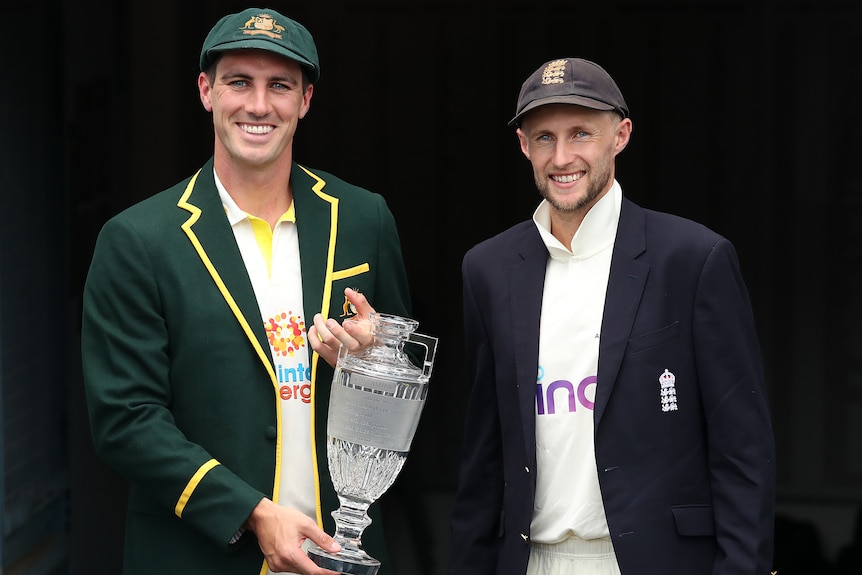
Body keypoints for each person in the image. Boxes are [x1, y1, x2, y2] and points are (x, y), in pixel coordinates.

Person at [81, 8, 411, 575]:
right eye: (240, 82)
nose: (259, 105)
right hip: (199, 555)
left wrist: (374, 361)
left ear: (305, 100)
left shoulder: (363, 219)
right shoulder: (138, 240)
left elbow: (407, 382)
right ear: (206, 91)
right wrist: (254, 513)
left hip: (338, 556)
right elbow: (125, 419)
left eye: (279, 85)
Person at [448, 57, 776, 575]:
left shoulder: (692, 259)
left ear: (620, 135)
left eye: (581, 134)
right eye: (544, 138)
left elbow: (742, 449)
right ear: (522, 147)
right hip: (531, 560)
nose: (562, 157)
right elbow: (483, 459)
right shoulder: (488, 269)